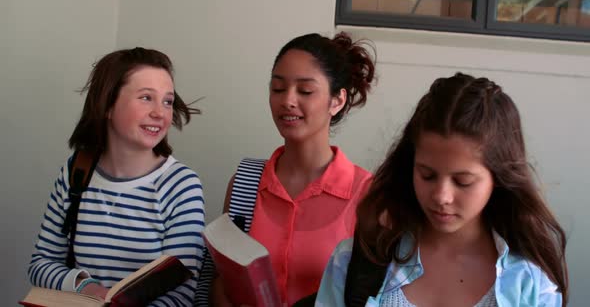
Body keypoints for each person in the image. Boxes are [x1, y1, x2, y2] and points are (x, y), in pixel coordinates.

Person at [315, 72, 568, 306]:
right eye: (427, 175)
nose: (441, 196)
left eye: (463, 181)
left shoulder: (530, 284)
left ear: (499, 178)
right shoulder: (355, 263)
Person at [27, 47, 205, 306]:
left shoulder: (181, 185)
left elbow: (181, 294)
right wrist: (85, 286)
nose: (160, 112)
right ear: (107, 105)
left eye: (167, 101)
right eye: (146, 98)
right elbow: (40, 264)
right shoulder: (76, 171)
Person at [209, 32, 377, 306]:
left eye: (305, 91)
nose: (288, 100)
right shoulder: (245, 182)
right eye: (277, 89)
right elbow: (220, 281)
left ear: (337, 100)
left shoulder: (366, 193)